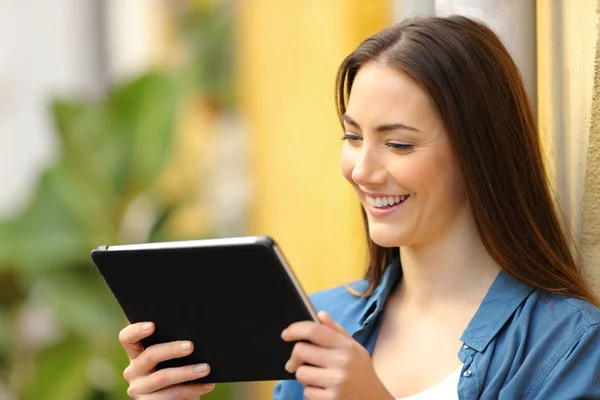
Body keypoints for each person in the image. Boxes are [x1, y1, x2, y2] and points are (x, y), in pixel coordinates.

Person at [118, 15, 600, 400]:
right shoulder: (321, 322)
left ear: (479, 153)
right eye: (352, 137)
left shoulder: (567, 344)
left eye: (398, 144)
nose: (362, 170)